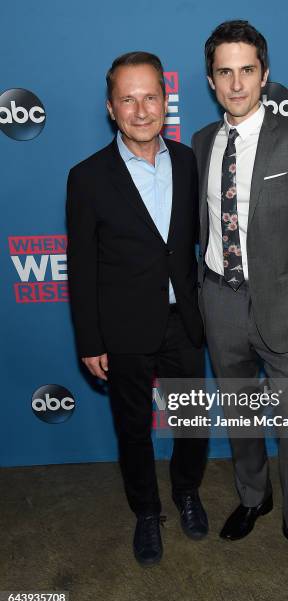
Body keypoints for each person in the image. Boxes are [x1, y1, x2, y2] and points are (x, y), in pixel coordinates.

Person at [192, 20, 288, 577]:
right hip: (221, 303)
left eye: (247, 70)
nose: (237, 84)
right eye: (225, 72)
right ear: (211, 81)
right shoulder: (203, 142)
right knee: (241, 415)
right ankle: (254, 497)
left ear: (265, 75)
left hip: (286, 308)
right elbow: (203, 226)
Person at [66, 51, 208, 567]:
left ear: (166, 102)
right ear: (111, 108)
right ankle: (147, 513)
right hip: (123, 329)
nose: (140, 109)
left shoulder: (190, 163)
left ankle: (187, 492)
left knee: (193, 423)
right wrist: (90, 340)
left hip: (185, 323)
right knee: (133, 429)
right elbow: (80, 267)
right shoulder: (86, 178)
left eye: (150, 96)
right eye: (128, 98)